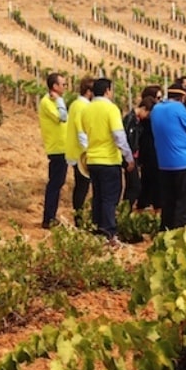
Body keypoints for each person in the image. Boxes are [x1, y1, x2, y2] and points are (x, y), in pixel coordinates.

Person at [81, 78, 135, 247]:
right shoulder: (111, 109)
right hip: (109, 160)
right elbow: (119, 135)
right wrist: (129, 157)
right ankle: (109, 233)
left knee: (98, 196)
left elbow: (84, 131)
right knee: (110, 198)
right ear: (107, 90)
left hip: (93, 159)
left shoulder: (87, 110)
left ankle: (98, 230)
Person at [152, 81, 186, 230]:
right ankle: (179, 233)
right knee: (184, 201)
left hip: (163, 163)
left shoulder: (156, 109)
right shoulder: (179, 108)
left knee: (168, 201)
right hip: (182, 162)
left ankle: (165, 230)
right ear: (182, 98)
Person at [38, 72, 68, 229]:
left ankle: (51, 216)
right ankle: (48, 218)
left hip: (62, 147)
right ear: (55, 86)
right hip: (56, 148)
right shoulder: (48, 102)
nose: (65, 87)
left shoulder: (54, 101)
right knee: (55, 183)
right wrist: (60, 101)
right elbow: (62, 117)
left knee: (57, 183)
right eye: (63, 84)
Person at [64, 76, 93, 228]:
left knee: (80, 186)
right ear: (89, 91)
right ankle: (79, 220)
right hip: (81, 154)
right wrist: (89, 151)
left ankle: (78, 217)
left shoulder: (75, 104)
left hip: (74, 152)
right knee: (82, 187)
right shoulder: (84, 107)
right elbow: (82, 133)